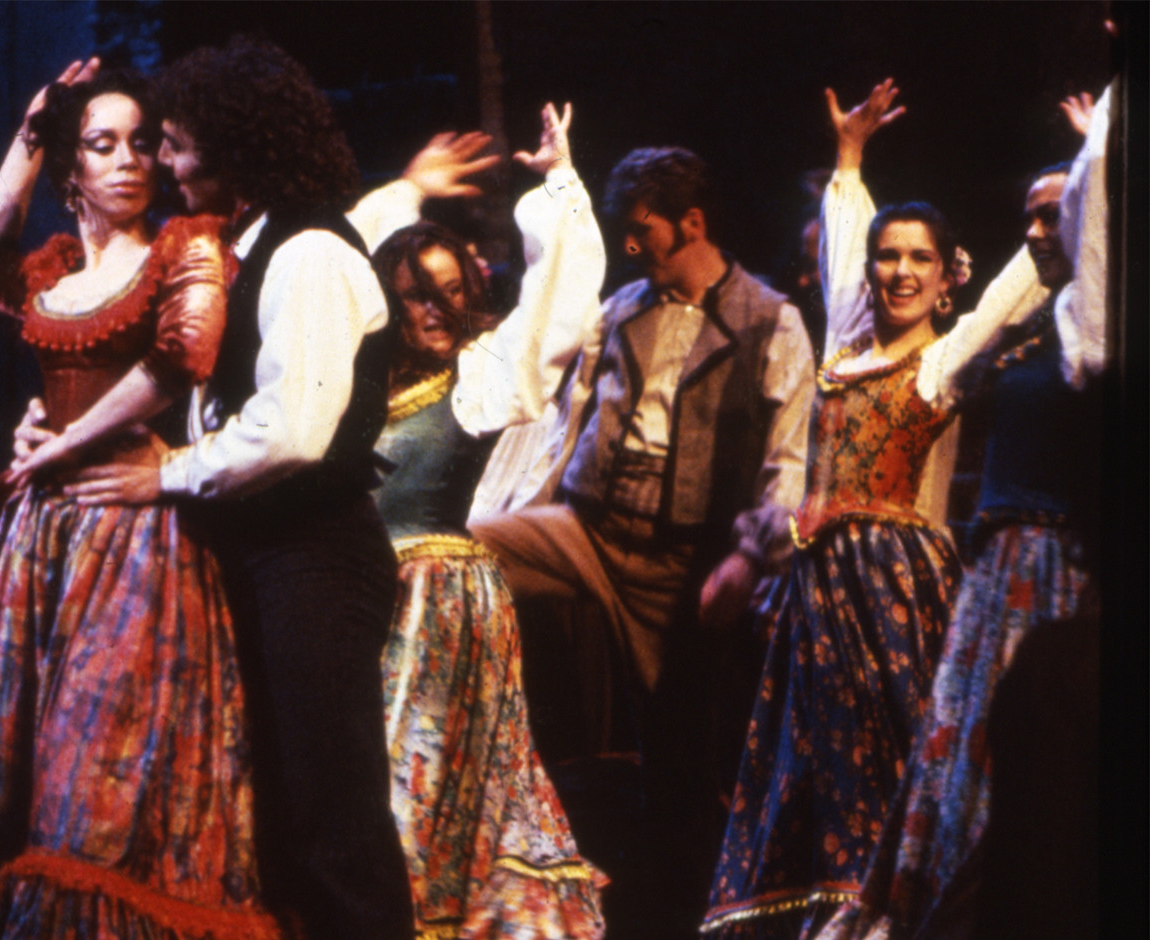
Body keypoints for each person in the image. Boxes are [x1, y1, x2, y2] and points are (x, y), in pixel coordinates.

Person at [54, 37, 440, 940]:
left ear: (235, 147)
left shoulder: (309, 252)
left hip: (315, 555)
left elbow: (295, 428)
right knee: (278, 813)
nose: (166, 164)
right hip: (266, 552)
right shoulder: (247, 249)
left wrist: (167, 474)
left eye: (178, 144)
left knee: (330, 812)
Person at [0, 64, 277, 938]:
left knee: (101, 753)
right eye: (102, 145)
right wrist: (30, 134)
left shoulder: (184, 246)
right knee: (16, 748)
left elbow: (183, 355)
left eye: (142, 144)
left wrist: (63, 443)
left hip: (133, 526)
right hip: (46, 533)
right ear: (73, 167)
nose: (127, 161)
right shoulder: (57, 270)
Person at [699, 79, 1056, 939]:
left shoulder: (942, 363)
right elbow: (839, 266)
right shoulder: (842, 355)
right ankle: (836, 918)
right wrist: (850, 158)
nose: (899, 271)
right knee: (822, 769)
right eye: (888, 256)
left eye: (919, 259)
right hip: (817, 597)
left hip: (895, 593)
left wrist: (1088, 178)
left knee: (901, 760)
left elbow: (1014, 294)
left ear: (946, 277)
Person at [465, 136, 816, 934]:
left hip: (680, 563)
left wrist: (747, 556)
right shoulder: (621, 309)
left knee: (680, 759)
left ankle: (680, 913)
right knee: (463, 551)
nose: (630, 244)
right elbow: (562, 429)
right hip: (586, 532)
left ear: (691, 223)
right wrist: (527, 502)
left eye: (642, 229)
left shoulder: (771, 322)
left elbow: (788, 463)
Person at [815, 86, 1110, 940]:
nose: (1039, 230)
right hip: (972, 575)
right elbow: (850, 287)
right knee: (932, 756)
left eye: (1058, 212)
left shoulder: (1089, 340)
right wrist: (849, 165)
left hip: (1046, 574)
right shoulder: (1001, 349)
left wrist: (1101, 161)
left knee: (1014, 753)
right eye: (1031, 216)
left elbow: (1015, 296)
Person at [369, 102, 608, 940]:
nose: (436, 310)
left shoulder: (477, 377)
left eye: (451, 292)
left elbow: (555, 308)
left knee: (433, 782)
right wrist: (407, 191)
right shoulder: (355, 392)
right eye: (415, 296)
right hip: (363, 603)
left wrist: (560, 185)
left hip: (441, 607)